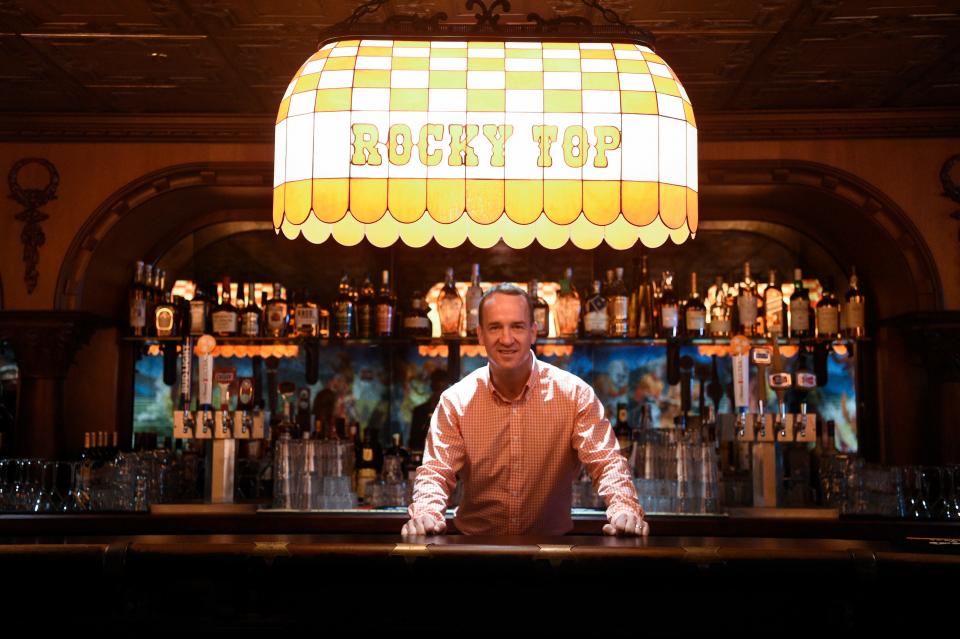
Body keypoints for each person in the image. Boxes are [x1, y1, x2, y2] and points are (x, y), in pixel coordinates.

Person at [401, 283, 648, 537]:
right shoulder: (456, 401)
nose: (506, 339)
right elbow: (436, 472)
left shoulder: (574, 395)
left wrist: (623, 509)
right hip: (475, 552)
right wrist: (426, 513)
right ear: (480, 334)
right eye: (495, 327)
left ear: (533, 332)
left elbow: (606, 462)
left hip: (553, 555)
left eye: (517, 326)